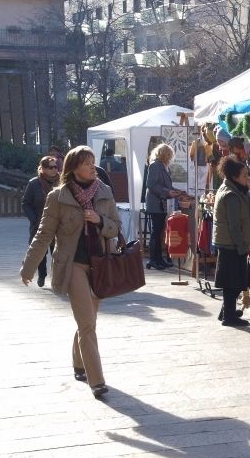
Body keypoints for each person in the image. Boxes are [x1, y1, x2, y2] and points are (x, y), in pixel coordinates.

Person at [19, 145, 120, 398]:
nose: (92, 167)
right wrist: (29, 267)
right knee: (87, 322)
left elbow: (117, 227)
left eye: (93, 162)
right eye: (86, 163)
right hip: (72, 264)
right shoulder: (58, 197)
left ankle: (78, 363)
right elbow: (43, 235)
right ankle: (96, 381)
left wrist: (99, 220)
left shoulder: (105, 191)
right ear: (73, 167)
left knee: (88, 322)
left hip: (100, 264)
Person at [213, 156, 250, 327]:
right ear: (234, 177)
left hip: (235, 243)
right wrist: (242, 246)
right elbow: (234, 226)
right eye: (244, 175)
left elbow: (247, 221)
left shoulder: (237, 191)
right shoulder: (231, 195)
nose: (247, 179)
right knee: (232, 282)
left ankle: (227, 311)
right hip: (230, 243)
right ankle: (229, 317)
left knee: (238, 280)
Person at [22, 156, 60, 287]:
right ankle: (42, 275)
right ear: (43, 169)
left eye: (56, 167)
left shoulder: (61, 183)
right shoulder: (34, 183)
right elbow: (26, 203)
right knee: (40, 252)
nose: (54, 170)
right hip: (39, 224)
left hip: (58, 225)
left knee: (57, 253)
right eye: (51, 167)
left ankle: (56, 277)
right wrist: (33, 219)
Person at [145, 143, 181, 270]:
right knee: (156, 231)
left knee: (159, 231)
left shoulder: (164, 167)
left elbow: (166, 186)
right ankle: (153, 259)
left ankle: (159, 259)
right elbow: (151, 184)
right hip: (155, 204)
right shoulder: (155, 166)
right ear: (165, 154)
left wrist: (178, 192)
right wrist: (167, 192)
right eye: (169, 155)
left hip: (161, 203)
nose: (171, 157)